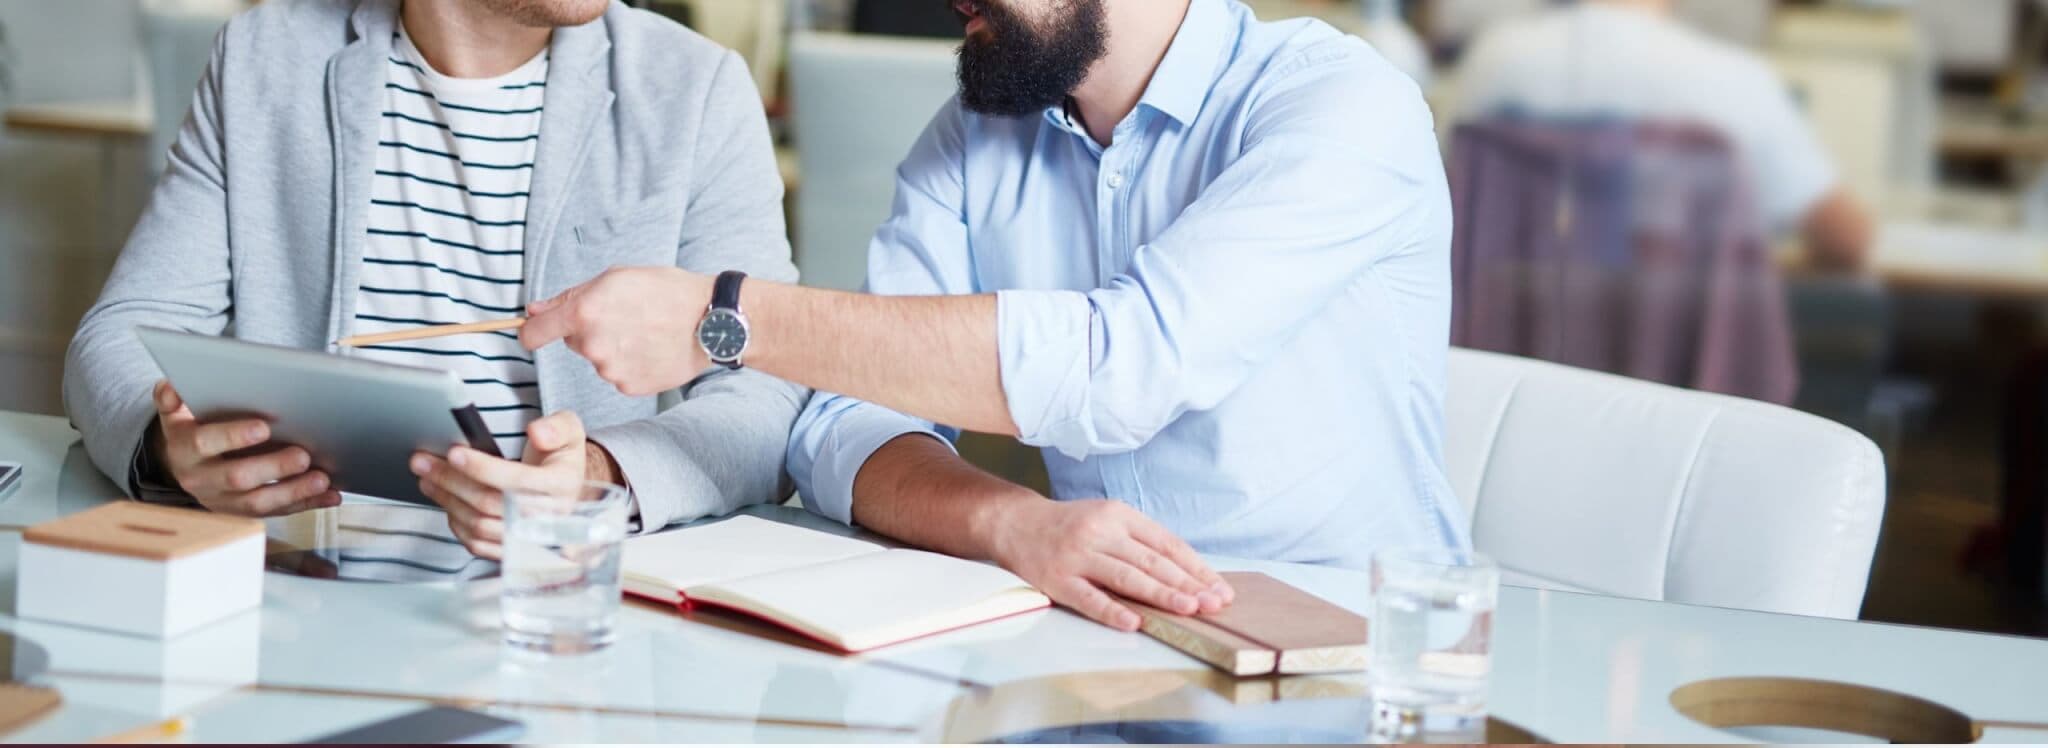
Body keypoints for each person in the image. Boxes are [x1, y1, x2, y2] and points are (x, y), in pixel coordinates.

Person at [516, 0, 1469, 630]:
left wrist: (725, 315)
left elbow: (1119, 367)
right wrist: (1013, 523)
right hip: (1114, 649)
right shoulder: (975, 137)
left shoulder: (1339, 104)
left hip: (1350, 652)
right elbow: (841, 423)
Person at [63, 0, 804, 557]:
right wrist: (172, 451)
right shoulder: (264, 58)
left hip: (564, 603)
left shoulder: (695, 90)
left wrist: (601, 478)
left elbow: (765, 394)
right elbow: (121, 332)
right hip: (295, 591)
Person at [1449, 0, 1873, 271]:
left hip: (1520, 360)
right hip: (1691, 381)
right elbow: (1845, 239)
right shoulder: (1733, 78)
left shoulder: (1491, 60)